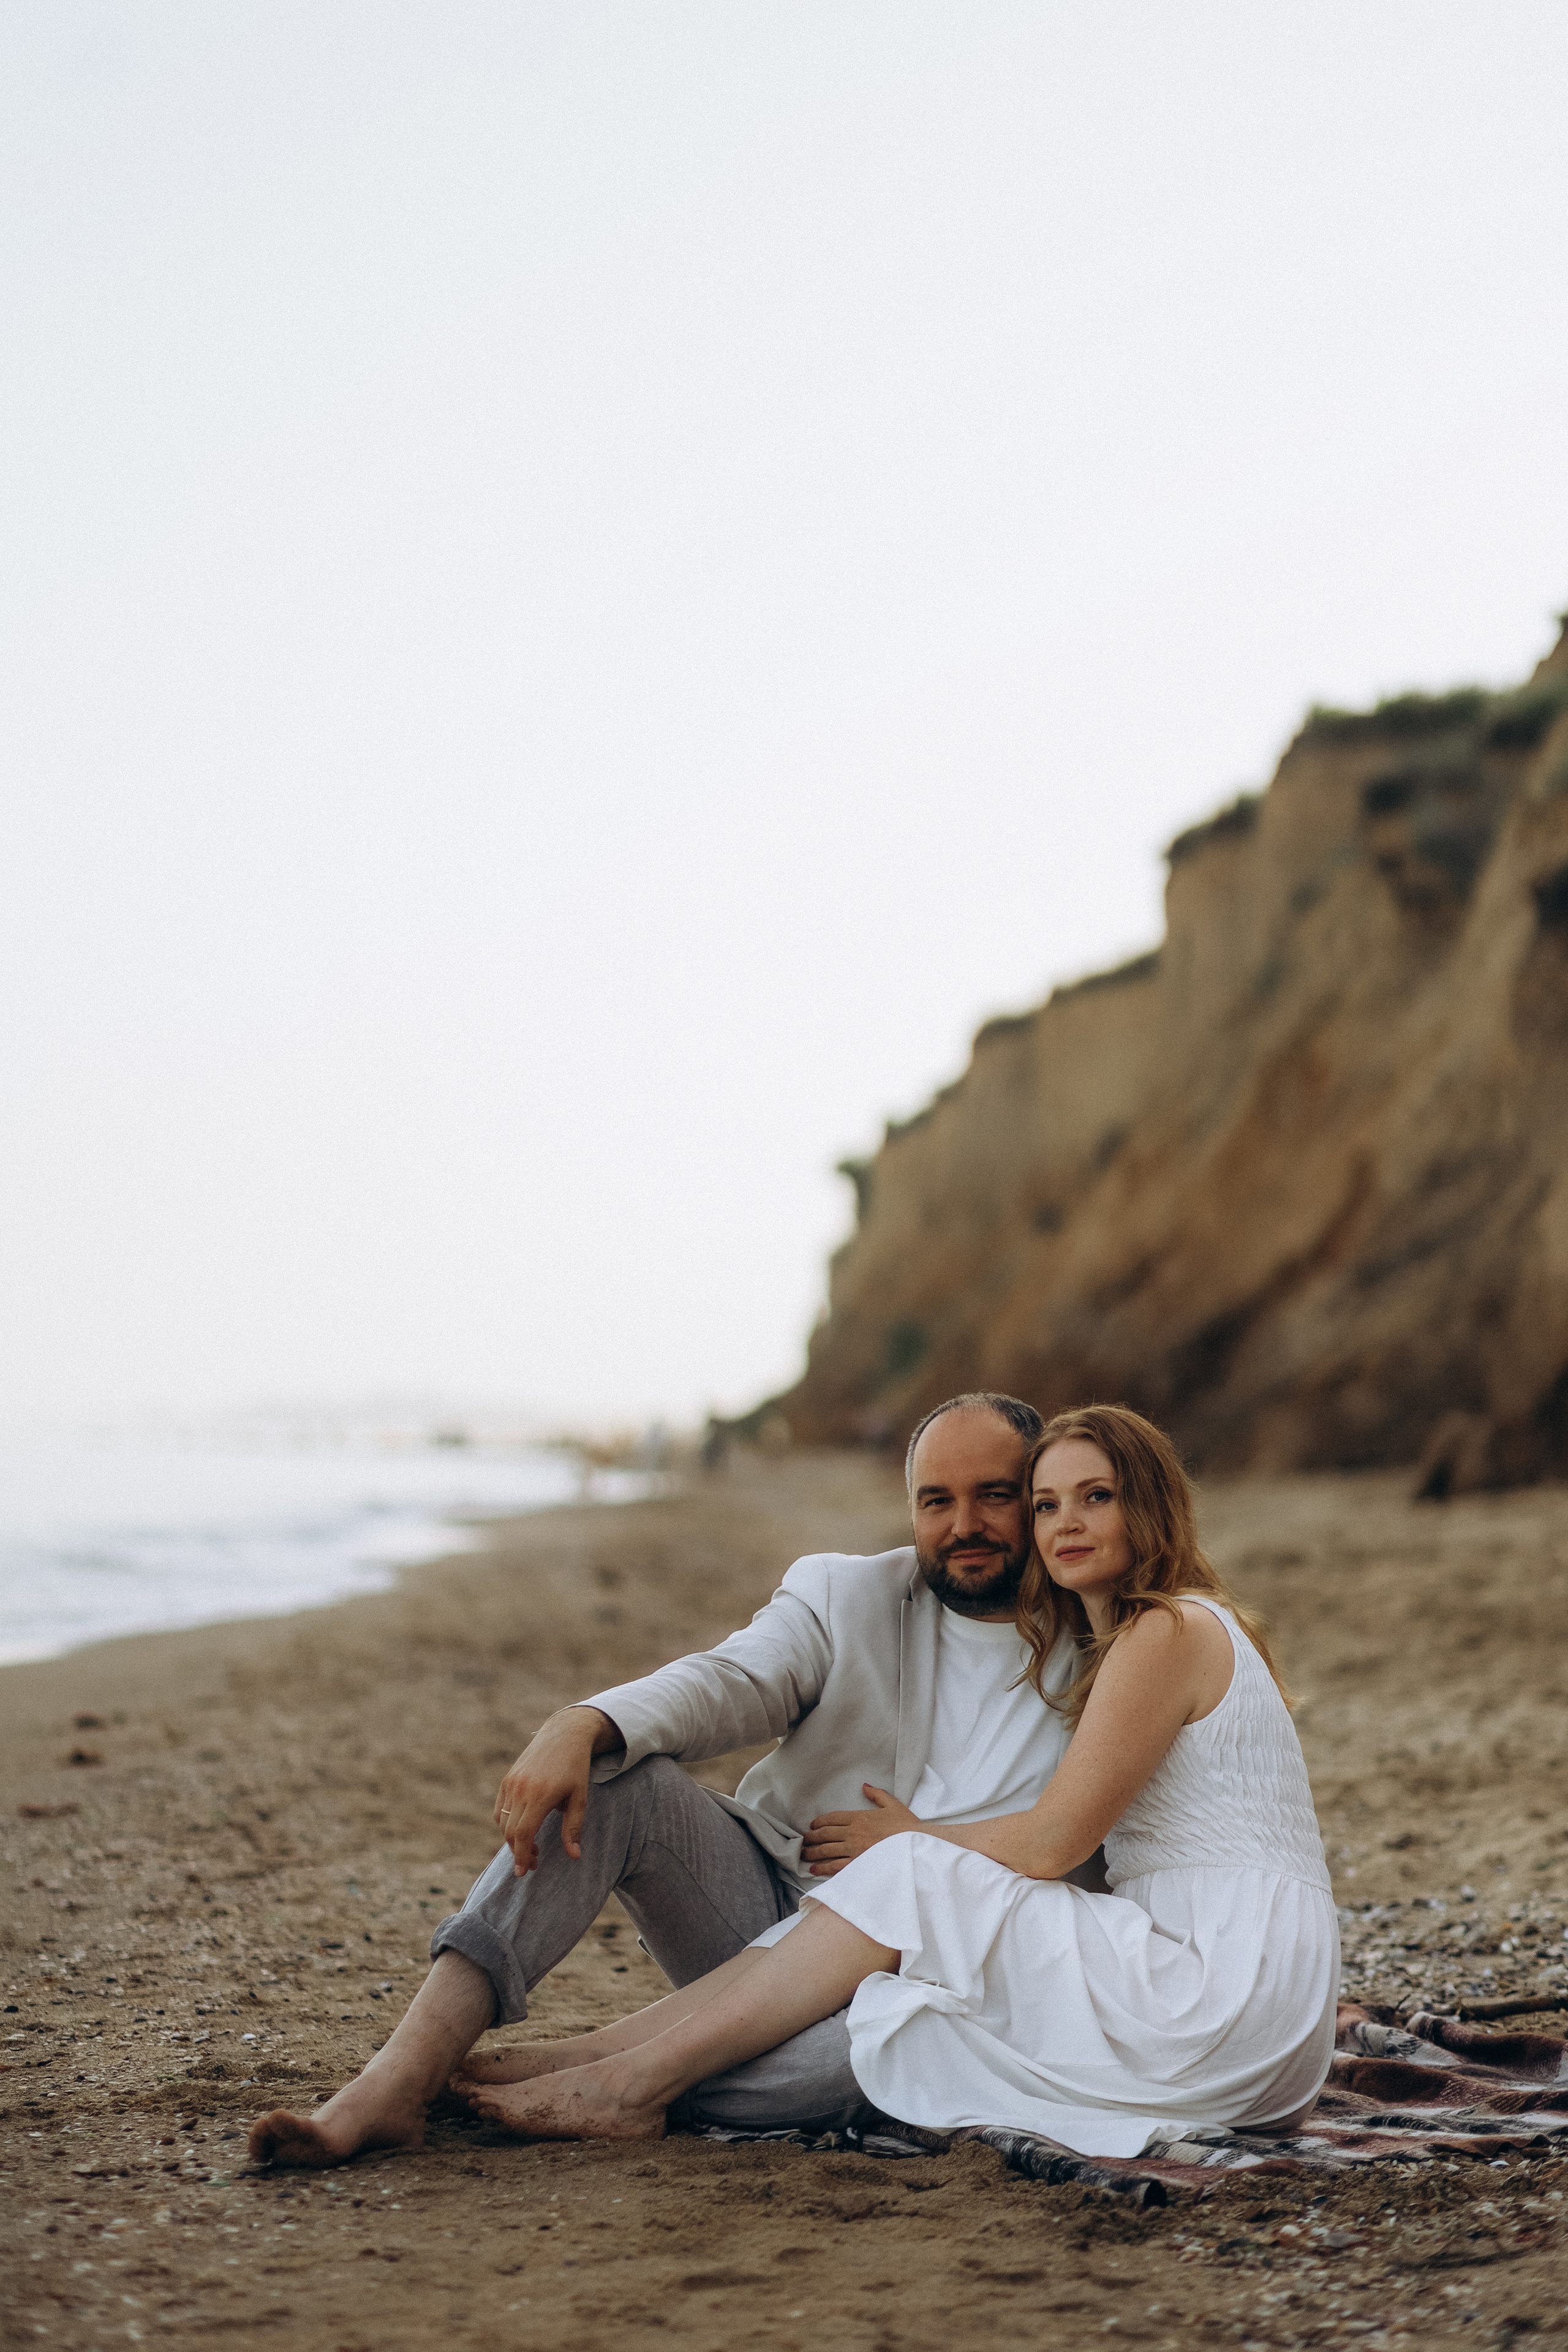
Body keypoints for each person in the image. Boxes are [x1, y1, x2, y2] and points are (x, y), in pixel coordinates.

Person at [426, 1405, 1339, 2157]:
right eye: (1051, 1502)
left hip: (1217, 1979)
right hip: (1253, 1992)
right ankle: (593, 2060)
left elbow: (1058, 1840)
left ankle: (626, 2083)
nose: (1066, 1523)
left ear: (1153, 1508)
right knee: (916, 2019)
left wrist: (911, 1840)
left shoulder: (1160, 1633)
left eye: (1094, 1498)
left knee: (909, 1892)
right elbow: (734, 1678)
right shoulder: (1165, 1632)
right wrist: (587, 1719)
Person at [249, 1390, 1098, 2168]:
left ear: (1040, 1495)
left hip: (926, 1985)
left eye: (994, 1495)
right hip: (767, 1912)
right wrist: (584, 1723)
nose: (965, 1524)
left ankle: (613, 2072)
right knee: (620, 1779)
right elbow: (733, 1679)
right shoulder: (847, 1596)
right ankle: (400, 2079)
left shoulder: (1108, 1650)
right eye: (936, 1500)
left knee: (902, 2051)